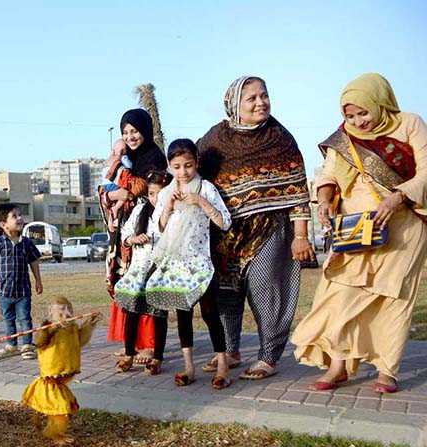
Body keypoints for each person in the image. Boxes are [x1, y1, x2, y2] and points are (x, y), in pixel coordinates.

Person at [292, 73, 427, 394]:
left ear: (379, 103)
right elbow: (328, 175)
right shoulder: (344, 136)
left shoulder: (409, 123)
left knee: (394, 299)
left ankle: (387, 370)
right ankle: (337, 365)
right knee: (338, 295)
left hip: (403, 226)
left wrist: (400, 195)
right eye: (350, 116)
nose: (358, 121)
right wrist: (324, 200)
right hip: (355, 229)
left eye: (363, 113)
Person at [197, 76, 314, 380]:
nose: (261, 102)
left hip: (269, 229)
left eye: (264, 95)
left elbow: (298, 189)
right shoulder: (213, 141)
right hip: (224, 232)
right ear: (234, 104)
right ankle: (230, 350)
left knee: (266, 290)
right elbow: (192, 176)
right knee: (225, 294)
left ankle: (268, 356)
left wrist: (300, 236)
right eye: (252, 98)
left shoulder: (280, 139)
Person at [145, 139, 233, 389]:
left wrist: (201, 202)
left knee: (209, 313)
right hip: (174, 262)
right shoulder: (165, 193)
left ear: (196, 162)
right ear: (170, 166)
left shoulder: (206, 188)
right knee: (182, 313)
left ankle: (223, 365)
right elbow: (157, 230)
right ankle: (189, 367)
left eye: (188, 165)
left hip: (200, 261)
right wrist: (169, 206)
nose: (183, 172)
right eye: (177, 167)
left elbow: (224, 222)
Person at [100, 109, 169, 365]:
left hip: (148, 235)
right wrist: (117, 194)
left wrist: (123, 187)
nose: (130, 137)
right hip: (126, 235)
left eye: (134, 131)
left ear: (145, 130)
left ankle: (149, 345)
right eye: (125, 132)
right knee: (126, 282)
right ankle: (130, 342)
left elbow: (143, 188)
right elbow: (108, 190)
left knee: (147, 287)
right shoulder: (129, 158)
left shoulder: (154, 157)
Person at [112, 171, 173, 375]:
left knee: (158, 315)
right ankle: (129, 353)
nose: (157, 198)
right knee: (133, 312)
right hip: (139, 270)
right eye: (153, 193)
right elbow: (125, 233)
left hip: (161, 272)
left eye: (162, 193)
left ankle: (158, 357)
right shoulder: (140, 210)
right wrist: (133, 239)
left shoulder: (175, 213)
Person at [22, 297, 102, 445]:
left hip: (62, 380)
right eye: (62, 311)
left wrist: (91, 322)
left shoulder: (71, 329)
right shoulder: (49, 329)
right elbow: (39, 342)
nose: (67, 315)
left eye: (69, 310)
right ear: (51, 311)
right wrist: (46, 331)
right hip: (51, 381)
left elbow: (80, 341)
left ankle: (50, 428)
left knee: (63, 408)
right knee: (62, 410)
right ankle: (55, 434)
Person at [0, 203, 44, 359]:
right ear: (3, 224)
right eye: (15, 216)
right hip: (4, 291)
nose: (20, 218)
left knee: (25, 318)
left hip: (23, 291)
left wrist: (38, 280)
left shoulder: (26, 242)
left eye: (20, 215)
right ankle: (11, 345)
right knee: (8, 319)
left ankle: (27, 346)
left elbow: (34, 261)